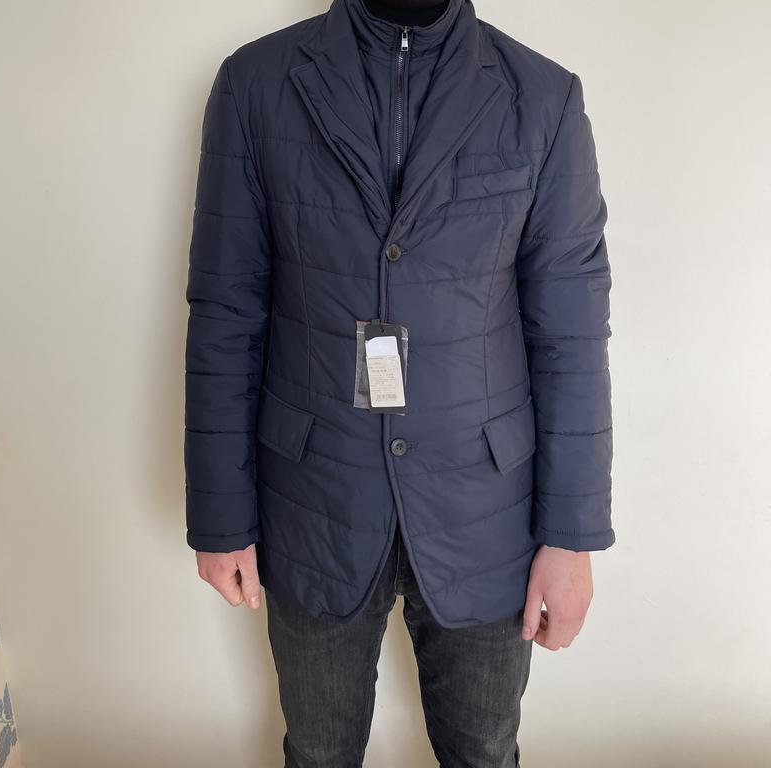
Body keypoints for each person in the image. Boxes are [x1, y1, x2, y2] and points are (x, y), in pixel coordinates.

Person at [184, 0, 614, 764]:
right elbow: (226, 311)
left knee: (484, 753)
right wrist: (221, 516)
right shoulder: (256, 85)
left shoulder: (544, 99)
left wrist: (571, 536)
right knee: (317, 752)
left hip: (487, 512)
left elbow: (570, 335)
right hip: (313, 500)